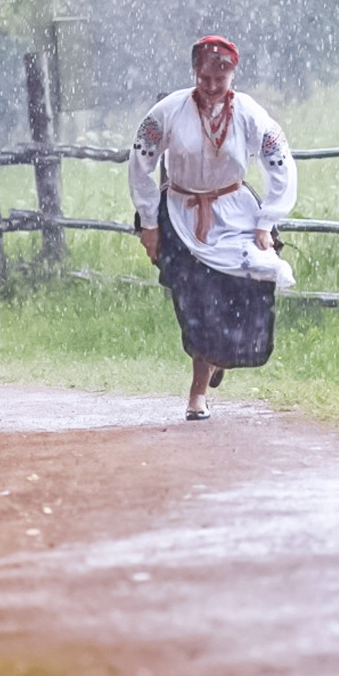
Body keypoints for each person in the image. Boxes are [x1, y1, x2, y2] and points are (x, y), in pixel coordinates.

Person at [128, 36, 297, 420]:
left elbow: (279, 161)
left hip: (235, 214)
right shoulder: (168, 111)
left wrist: (267, 220)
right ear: (195, 73)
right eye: (205, 78)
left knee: (247, 292)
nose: (211, 87)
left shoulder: (249, 113)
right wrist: (150, 221)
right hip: (184, 215)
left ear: (232, 76)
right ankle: (197, 393)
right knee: (197, 301)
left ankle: (222, 357)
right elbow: (141, 162)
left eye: (220, 80)